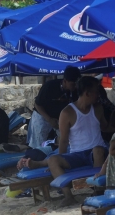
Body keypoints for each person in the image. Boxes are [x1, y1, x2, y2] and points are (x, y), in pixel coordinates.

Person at [46, 76, 111, 206]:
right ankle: (68, 196)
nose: (98, 95)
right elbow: (63, 140)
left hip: (96, 152)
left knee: (98, 150)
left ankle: (98, 191)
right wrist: (61, 156)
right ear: (87, 93)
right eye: (96, 91)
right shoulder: (67, 112)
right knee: (52, 160)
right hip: (77, 154)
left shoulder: (98, 108)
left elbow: (105, 127)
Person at [28, 66, 81, 148]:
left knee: (67, 140)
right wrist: (49, 119)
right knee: (38, 143)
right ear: (65, 81)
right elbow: (37, 104)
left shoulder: (75, 92)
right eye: (73, 84)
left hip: (59, 118)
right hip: (42, 116)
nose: (75, 87)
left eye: (76, 84)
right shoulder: (49, 86)